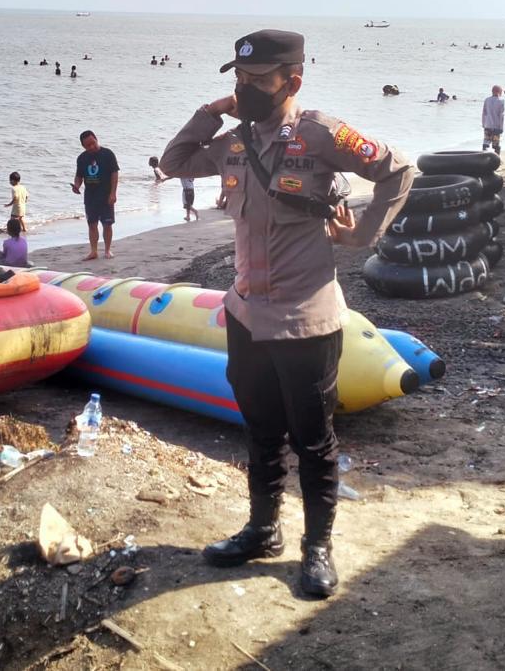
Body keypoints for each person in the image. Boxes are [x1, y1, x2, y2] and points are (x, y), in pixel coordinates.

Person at [159, 29, 413, 599]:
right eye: (238, 78)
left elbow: (398, 169)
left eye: (256, 80)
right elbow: (174, 162)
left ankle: (316, 547)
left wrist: (364, 236)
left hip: (305, 320)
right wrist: (212, 110)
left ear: (292, 81)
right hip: (246, 315)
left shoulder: (320, 134)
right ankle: (262, 529)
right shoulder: (233, 142)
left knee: (313, 439)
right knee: (260, 429)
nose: (244, 89)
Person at [72, 130, 119, 260]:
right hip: (90, 197)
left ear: (96, 139)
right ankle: (93, 251)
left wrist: (113, 193)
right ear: (83, 146)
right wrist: (76, 186)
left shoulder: (108, 154)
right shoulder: (82, 158)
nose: (92, 147)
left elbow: (114, 174)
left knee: (107, 224)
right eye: (88, 145)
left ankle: (107, 250)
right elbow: (79, 176)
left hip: (106, 195)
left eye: (93, 143)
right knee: (92, 224)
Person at [481, 85, 504, 155]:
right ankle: (497, 158)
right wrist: (501, 127)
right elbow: (502, 115)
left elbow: (484, 113)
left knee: (486, 142)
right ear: (499, 92)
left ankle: (483, 156)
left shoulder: (487, 100)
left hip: (488, 125)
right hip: (497, 126)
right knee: (496, 144)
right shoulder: (501, 101)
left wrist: (483, 123)